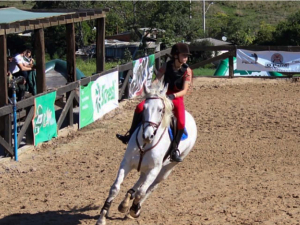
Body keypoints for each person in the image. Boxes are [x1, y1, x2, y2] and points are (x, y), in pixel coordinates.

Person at [116, 43, 193, 162]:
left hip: (176, 97)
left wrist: (173, 95)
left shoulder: (187, 71)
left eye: (186, 56)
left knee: (181, 123)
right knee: (139, 108)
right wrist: (152, 87)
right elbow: (157, 79)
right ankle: (130, 135)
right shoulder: (166, 66)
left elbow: (185, 90)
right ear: (176, 55)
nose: (186, 58)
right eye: (183, 55)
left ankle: (174, 150)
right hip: (162, 94)